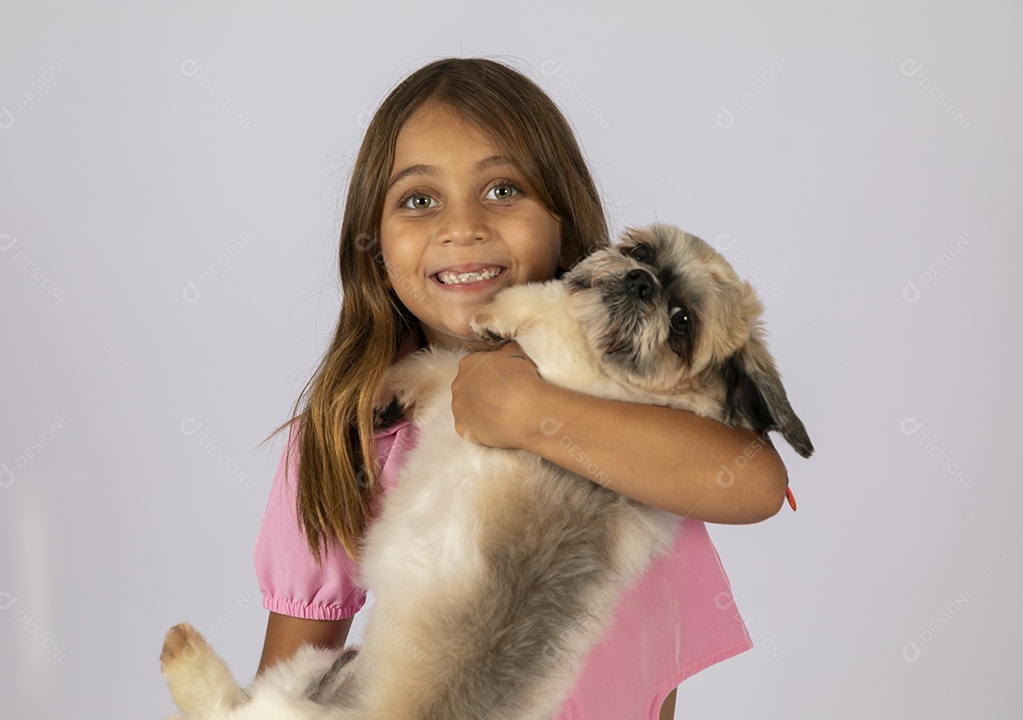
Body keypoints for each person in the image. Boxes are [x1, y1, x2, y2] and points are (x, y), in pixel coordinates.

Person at [253, 57, 790, 720]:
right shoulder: (353, 436)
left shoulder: (639, 396)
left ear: (566, 224)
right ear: (374, 249)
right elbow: (282, 685)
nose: (462, 227)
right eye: (419, 200)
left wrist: (534, 414)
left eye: (503, 190)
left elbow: (756, 482)